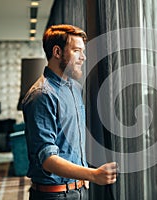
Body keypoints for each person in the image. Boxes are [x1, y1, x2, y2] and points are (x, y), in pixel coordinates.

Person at [22, 24, 117, 200]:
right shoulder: (41, 96)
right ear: (57, 52)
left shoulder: (74, 88)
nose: (83, 57)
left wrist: (82, 177)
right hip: (54, 195)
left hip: (79, 191)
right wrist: (92, 174)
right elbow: (48, 159)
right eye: (77, 51)